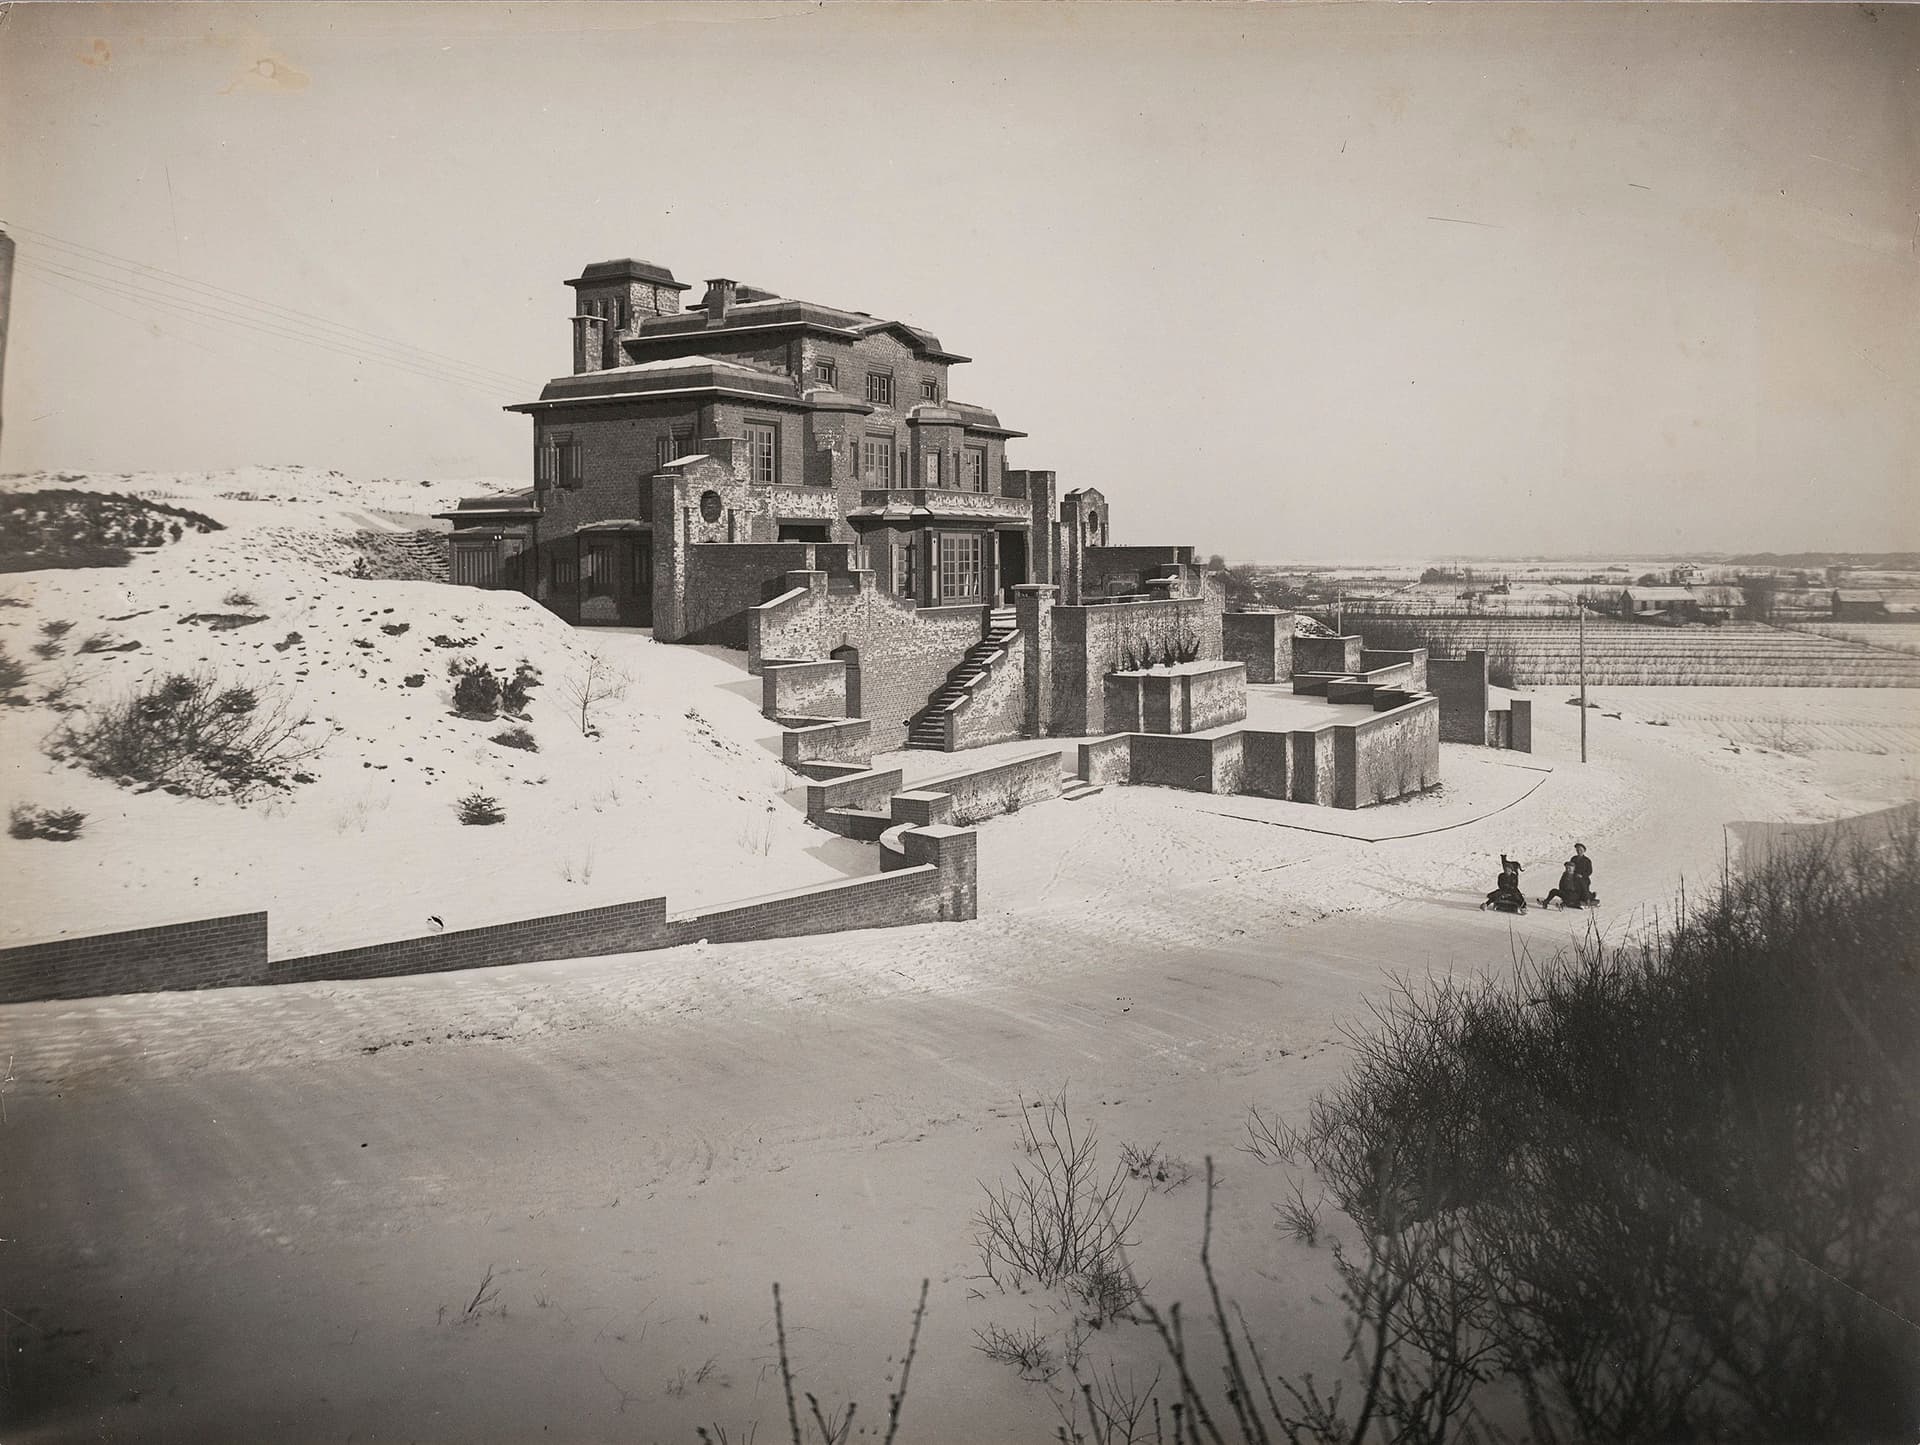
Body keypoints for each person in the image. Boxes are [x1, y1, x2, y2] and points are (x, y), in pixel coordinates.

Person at [1542, 843, 1596, 908]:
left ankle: (1588, 898)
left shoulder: (1587, 860)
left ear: (1584, 850)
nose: (1579, 851)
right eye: (1577, 850)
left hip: (1583, 879)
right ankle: (1546, 902)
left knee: (1583, 893)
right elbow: (1562, 882)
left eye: (1580, 850)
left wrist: (1582, 875)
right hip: (1573, 879)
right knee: (1559, 891)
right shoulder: (1573, 859)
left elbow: (1589, 871)